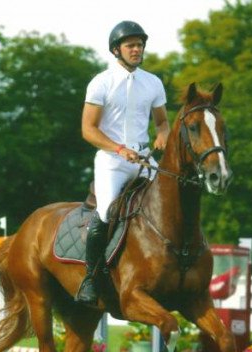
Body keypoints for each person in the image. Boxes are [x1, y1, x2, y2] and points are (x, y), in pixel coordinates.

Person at [76, 20, 170, 305]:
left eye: (140, 45)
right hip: (112, 162)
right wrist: (118, 149)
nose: (137, 49)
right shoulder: (101, 82)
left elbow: (163, 122)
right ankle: (91, 279)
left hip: (144, 159)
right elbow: (88, 129)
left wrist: (163, 135)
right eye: (131, 45)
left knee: (167, 207)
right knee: (105, 212)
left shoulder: (153, 82)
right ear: (116, 49)